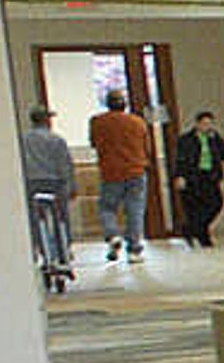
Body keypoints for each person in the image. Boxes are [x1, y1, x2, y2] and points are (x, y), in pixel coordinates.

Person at [86, 90, 155, 260]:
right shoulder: (138, 122)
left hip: (110, 172)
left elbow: (94, 143)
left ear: (108, 103)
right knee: (135, 210)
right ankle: (134, 249)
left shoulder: (97, 122)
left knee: (107, 207)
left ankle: (113, 235)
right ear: (125, 104)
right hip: (136, 171)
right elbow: (147, 148)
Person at [21, 106, 75, 291]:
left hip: (31, 183)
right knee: (61, 219)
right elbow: (65, 165)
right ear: (46, 120)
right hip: (54, 183)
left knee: (37, 220)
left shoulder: (24, 140)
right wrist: (71, 186)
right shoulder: (56, 139)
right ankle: (62, 253)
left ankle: (44, 252)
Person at [174, 109, 224, 247]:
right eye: (204, 123)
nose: (207, 126)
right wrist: (179, 176)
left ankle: (191, 229)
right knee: (197, 207)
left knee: (215, 204)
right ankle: (202, 236)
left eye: (209, 123)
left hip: (211, 176)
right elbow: (180, 159)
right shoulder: (186, 139)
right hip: (193, 177)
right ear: (197, 124)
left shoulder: (214, 137)